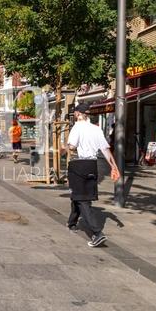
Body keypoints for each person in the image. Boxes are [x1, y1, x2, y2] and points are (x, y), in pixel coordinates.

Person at [64, 103, 121, 248]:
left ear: (78, 114)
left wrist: (65, 146)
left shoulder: (77, 126)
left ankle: (97, 233)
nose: (75, 115)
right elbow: (105, 150)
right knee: (79, 195)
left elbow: (71, 146)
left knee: (82, 200)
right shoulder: (96, 129)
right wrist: (114, 166)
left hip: (79, 165)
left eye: (76, 113)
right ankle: (72, 222)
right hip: (92, 165)